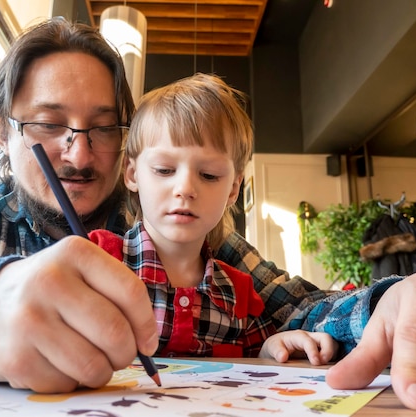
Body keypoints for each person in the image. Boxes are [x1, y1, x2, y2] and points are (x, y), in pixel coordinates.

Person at [0, 18, 416, 411]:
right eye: (51, 125)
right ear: (6, 130)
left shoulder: (183, 233)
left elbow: (306, 309)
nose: (80, 152)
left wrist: (407, 308)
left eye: (104, 128)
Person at [86, 72, 338, 364]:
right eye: (164, 170)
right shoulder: (98, 261)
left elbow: (256, 358)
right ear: (132, 174)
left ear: (233, 189)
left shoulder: (241, 294)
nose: (185, 189)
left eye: (208, 175)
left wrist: (271, 348)